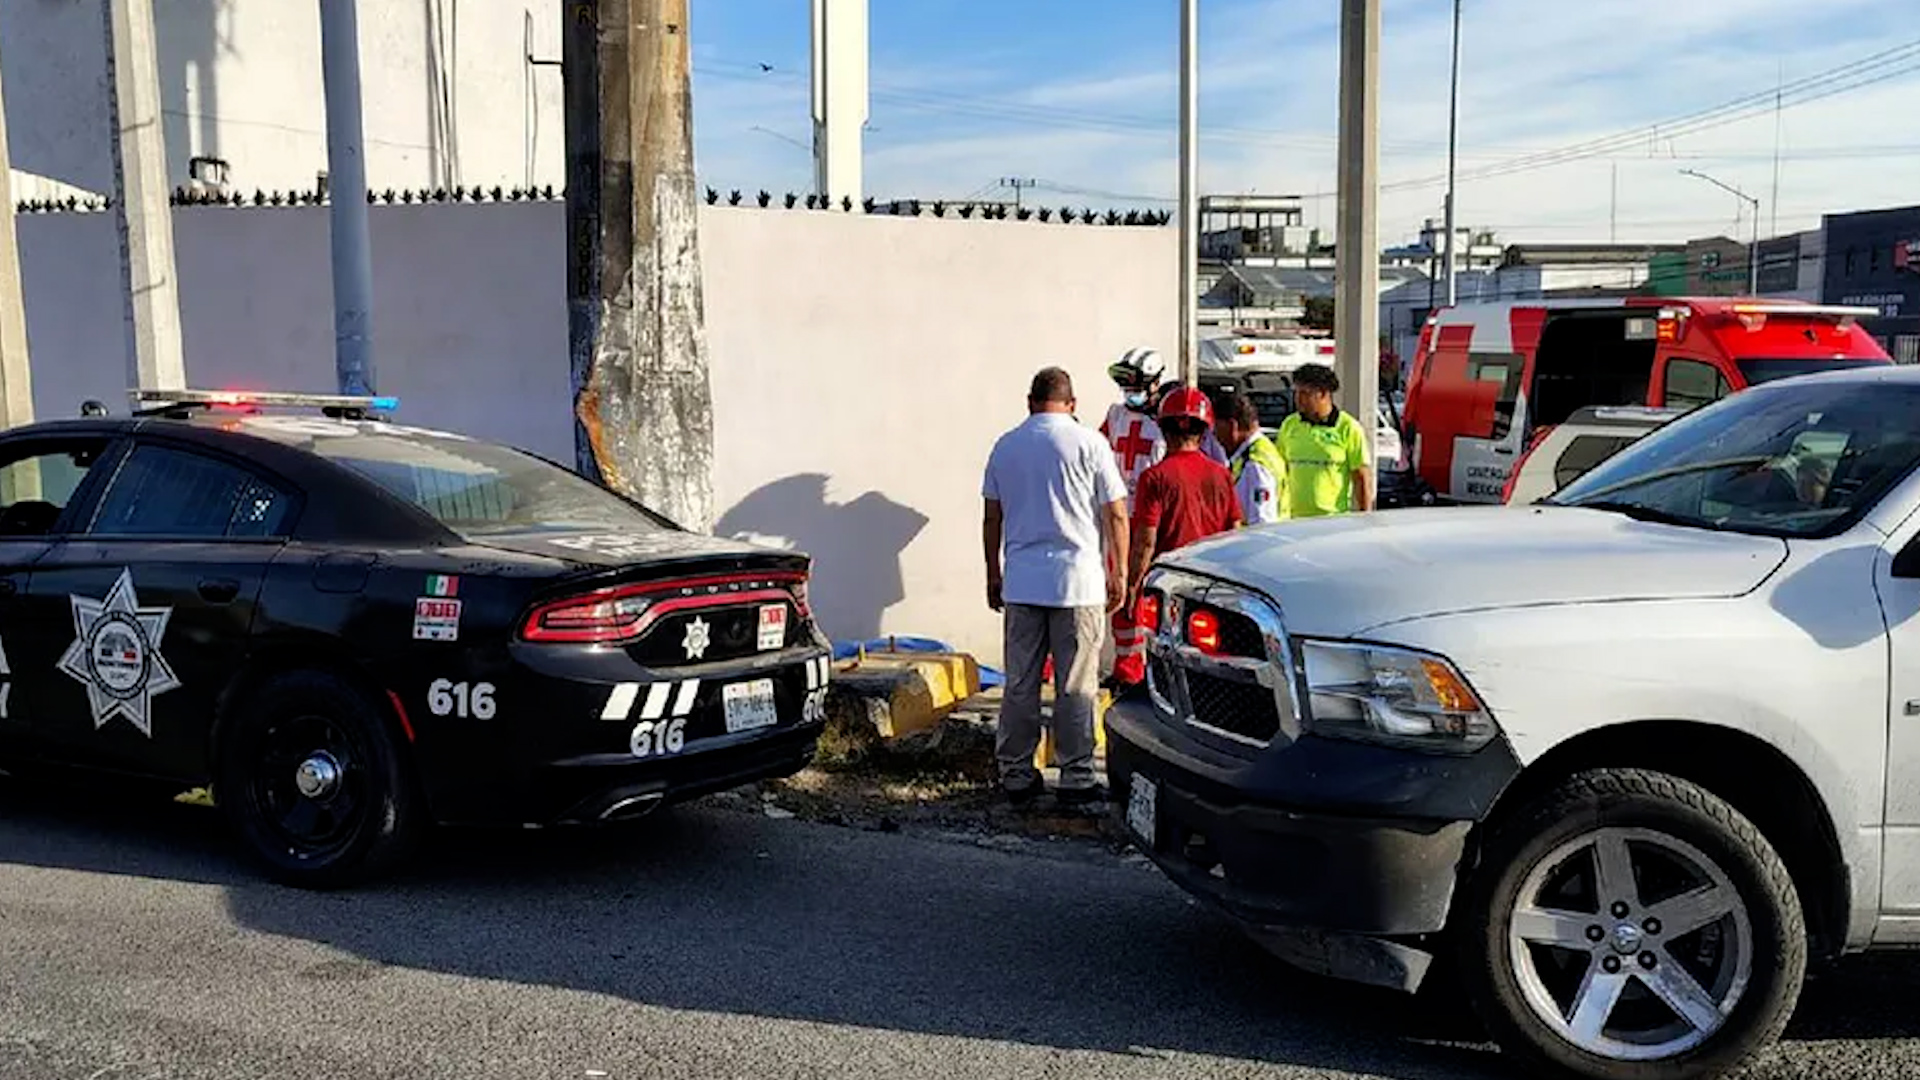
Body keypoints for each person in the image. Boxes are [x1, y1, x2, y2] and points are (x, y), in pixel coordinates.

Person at [982, 367, 1129, 805]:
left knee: (1021, 682)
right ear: (1073, 403)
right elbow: (1117, 514)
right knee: (1076, 685)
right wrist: (1118, 572)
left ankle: (1016, 773)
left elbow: (992, 517)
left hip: (1023, 583)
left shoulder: (1006, 446)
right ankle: (1077, 776)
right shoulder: (1091, 444)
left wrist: (993, 572)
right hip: (1078, 584)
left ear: (1030, 401)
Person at [1127, 387, 1243, 603]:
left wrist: (1133, 585)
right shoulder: (1222, 474)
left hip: (1169, 584)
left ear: (1162, 428)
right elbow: (1234, 532)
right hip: (1213, 584)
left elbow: (1145, 542)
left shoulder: (1154, 477)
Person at [1099, 347, 1167, 687]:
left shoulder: (1168, 423)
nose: (1130, 395)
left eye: (1136, 386)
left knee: (1147, 598)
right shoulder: (1115, 416)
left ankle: (1148, 670)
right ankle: (1126, 668)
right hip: (1118, 519)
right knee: (1120, 595)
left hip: (1151, 521)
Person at [1275, 363, 1373, 518]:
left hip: (1331, 521)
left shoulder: (1348, 428)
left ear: (1323, 394)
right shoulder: (1289, 425)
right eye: (1297, 392)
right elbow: (1279, 470)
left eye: (1305, 393)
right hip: (1292, 520)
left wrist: (1366, 517)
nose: (1298, 399)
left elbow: (1361, 476)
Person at [1213, 391, 1288, 526]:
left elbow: (1262, 522)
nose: (1215, 437)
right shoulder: (1255, 453)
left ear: (1232, 426)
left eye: (1216, 428)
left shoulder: (1255, 465)